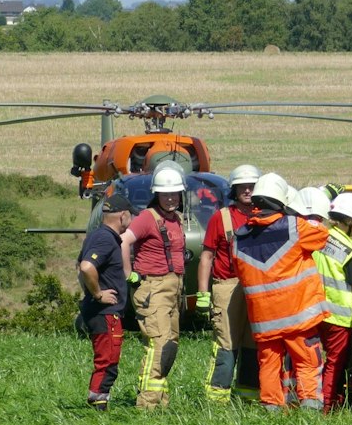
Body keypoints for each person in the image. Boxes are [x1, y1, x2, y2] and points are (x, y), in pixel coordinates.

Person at [232, 173, 331, 411]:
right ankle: (310, 411)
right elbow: (322, 235)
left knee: (268, 365)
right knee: (307, 362)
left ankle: (272, 410)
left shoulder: (239, 238)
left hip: (264, 321)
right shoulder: (295, 227)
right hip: (298, 316)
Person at [120, 165, 189, 409]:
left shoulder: (175, 218)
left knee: (170, 345)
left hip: (173, 288)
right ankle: (147, 404)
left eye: (174, 194)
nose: (171, 198)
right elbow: (124, 241)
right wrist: (129, 274)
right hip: (153, 288)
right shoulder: (147, 218)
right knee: (158, 344)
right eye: (165, 194)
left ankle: (161, 402)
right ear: (156, 194)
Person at [197, 163, 259, 403]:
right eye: (242, 186)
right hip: (227, 286)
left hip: (255, 287)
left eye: (251, 186)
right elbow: (206, 256)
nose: (247, 190)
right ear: (234, 189)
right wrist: (203, 293)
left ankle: (248, 396)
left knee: (253, 343)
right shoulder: (220, 218)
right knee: (227, 343)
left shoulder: (262, 216)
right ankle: (216, 399)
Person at [76, 185, 135, 410]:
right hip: (105, 313)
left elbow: (83, 267)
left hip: (102, 312)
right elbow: (87, 266)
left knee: (107, 359)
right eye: (130, 214)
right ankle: (97, 405)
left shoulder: (99, 235)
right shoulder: (105, 239)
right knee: (108, 361)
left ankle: (98, 402)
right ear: (122, 215)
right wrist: (99, 294)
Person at [314, 191, 352, 411]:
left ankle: (314, 399)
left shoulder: (320, 238)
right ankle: (327, 407)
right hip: (339, 318)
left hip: (316, 311)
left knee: (315, 362)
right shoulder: (349, 250)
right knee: (335, 365)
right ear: (348, 222)